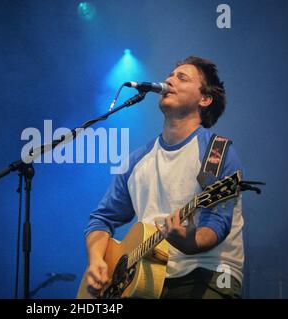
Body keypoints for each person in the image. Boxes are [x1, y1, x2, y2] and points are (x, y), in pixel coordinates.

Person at [84, 56, 244, 299]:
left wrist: (187, 241)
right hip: (145, 280)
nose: (169, 79)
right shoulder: (137, 160)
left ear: (204, 99)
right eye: (171, 74)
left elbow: (216, 225)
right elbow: (102, 219)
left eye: (182, 77)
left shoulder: (216, 152)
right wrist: (96, 261)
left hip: (205, 273)